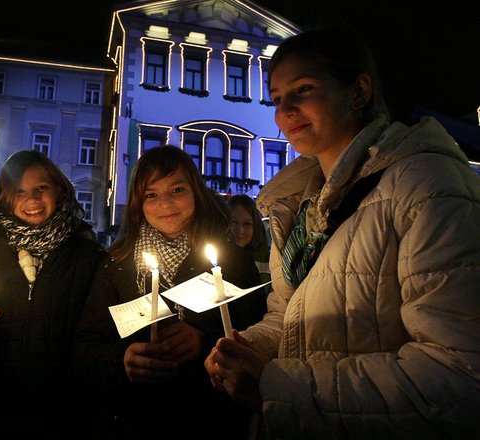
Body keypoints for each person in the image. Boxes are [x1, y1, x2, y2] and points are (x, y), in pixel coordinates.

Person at [205, 27, 480, 439]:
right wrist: (249, 348)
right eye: (278, 98)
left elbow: (459, 377)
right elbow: (289, 315)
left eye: (304, 89)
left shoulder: (427, 185)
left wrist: (277, 387)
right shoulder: (301, 205)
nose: (285, 111)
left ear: (358, 91)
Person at [73, 145, 267, 439]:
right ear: (139, 203)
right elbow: (86, 346)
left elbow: (259, 332)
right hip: (135, 418)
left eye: (176, 190)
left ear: (196, 192)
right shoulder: (116, 264)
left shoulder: (229, 259)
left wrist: (204, 340)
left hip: (211, 419)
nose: (165, 203)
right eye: (151, 194)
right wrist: (122, 361)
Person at [0, 150, 105, 438]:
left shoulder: (89, 256)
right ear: (5, 197)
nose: (32, 200)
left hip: (67, 414)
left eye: (41, 188)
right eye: (19, 191)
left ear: (59, 189)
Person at [227, 194, 271, 277]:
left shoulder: (270, 261)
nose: (240, 230)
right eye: (234, 222)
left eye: (247, 223)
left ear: (256, 226)